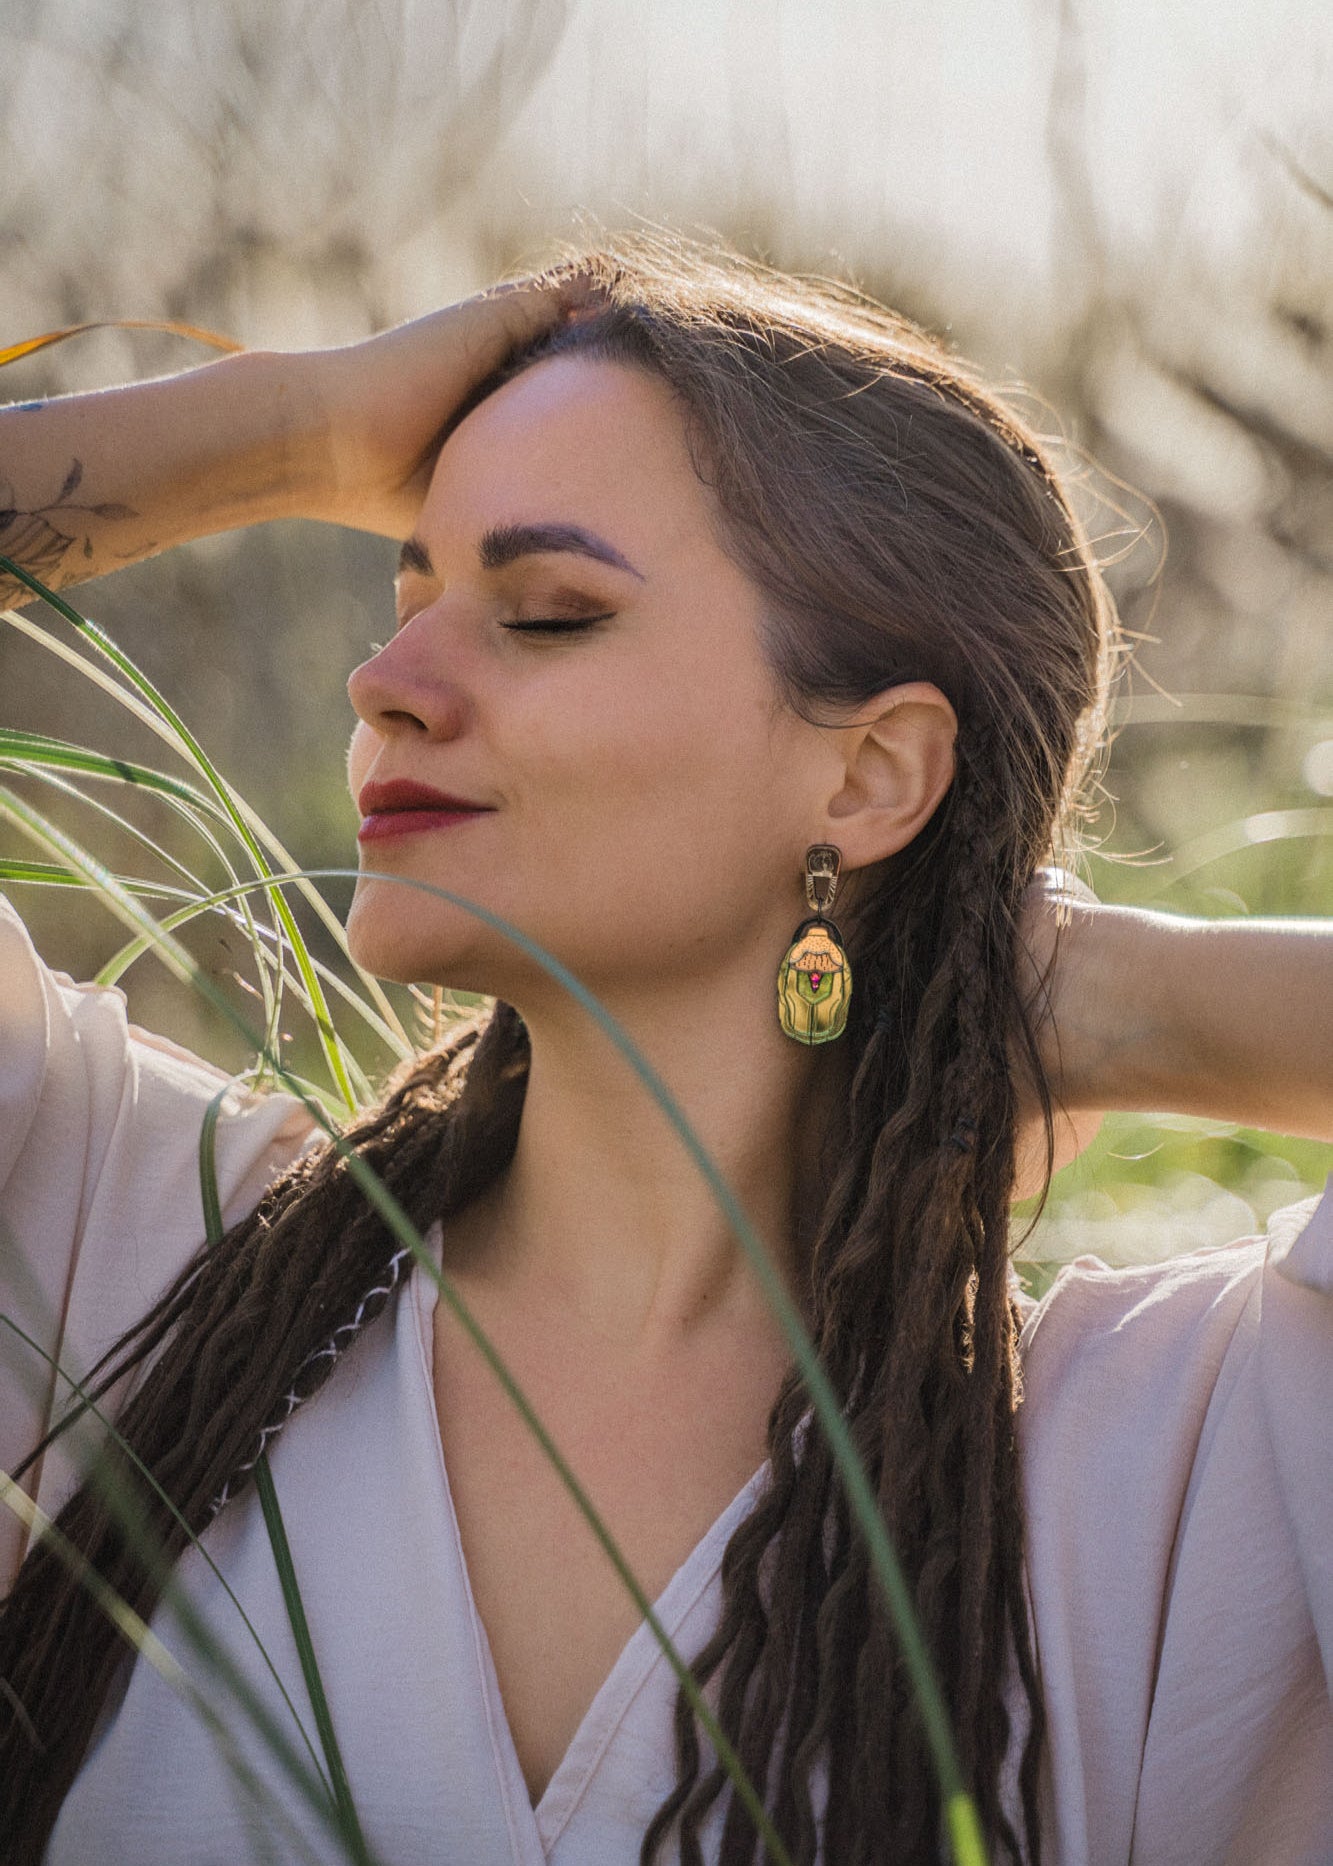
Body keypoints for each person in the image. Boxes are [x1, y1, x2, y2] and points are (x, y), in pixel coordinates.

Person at [0, 237, 1329, 1866]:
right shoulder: (114, 1235)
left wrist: (1123, 994)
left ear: (868, 778)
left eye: (546, 615)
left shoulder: (1185, 1462)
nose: (383, 683)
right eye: (408, 599)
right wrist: (296, 430)